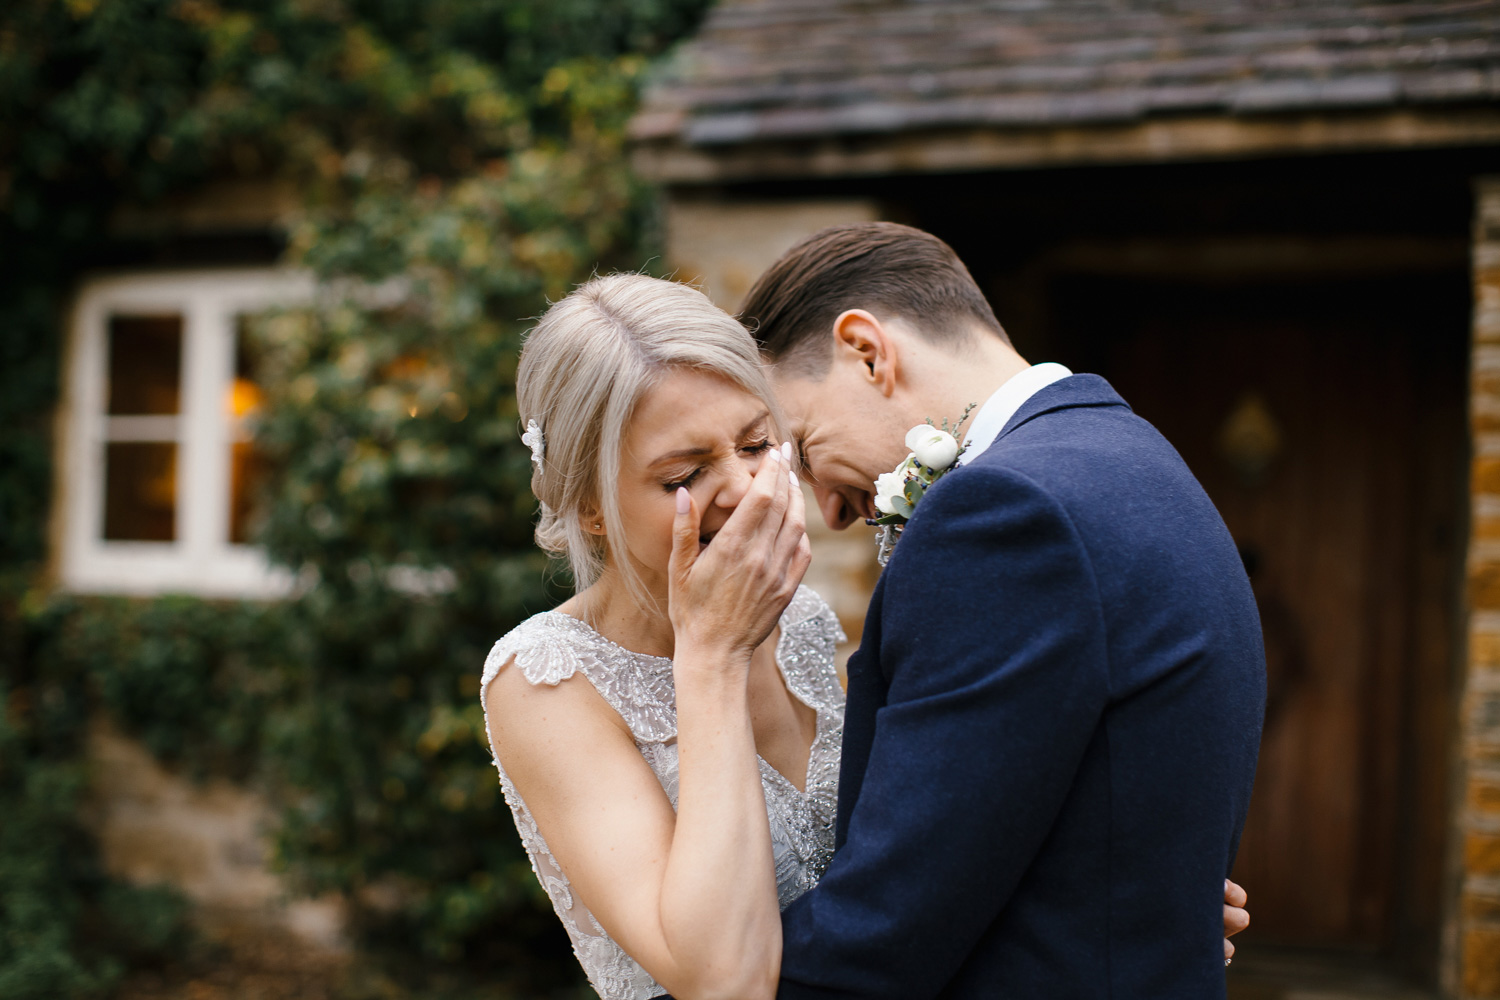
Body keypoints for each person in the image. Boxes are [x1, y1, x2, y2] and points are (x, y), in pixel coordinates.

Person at [480, 272, 1252, 1000]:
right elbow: (724, 981)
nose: (747, 489)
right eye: (685, 475)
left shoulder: (802, 622)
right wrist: (710, 657)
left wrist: (1109, 898)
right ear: (586, 503)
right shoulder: (546, 681)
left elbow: (919, 858)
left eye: (756, 445)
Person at [732, 222, 1267, 999]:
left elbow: (886, 930)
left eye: (804, 447)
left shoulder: (1004, 514)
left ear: (868, 352)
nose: (829, 509)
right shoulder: (1136, 454)